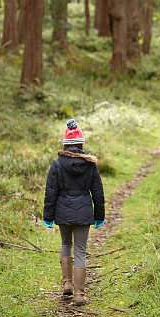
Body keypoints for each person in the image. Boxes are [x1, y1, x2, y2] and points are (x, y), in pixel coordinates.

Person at [43, 119, 105, 306]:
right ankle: (79, 294)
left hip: (63, 212)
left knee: (65, 244)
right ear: (81, 143)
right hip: (84, 212)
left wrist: (48, 216)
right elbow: (98, 192)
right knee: (80, 250)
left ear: (65, 143)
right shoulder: (90, 164)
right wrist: (99, 215)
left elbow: (50, 192)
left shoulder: (57, 164)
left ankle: (67, 284)